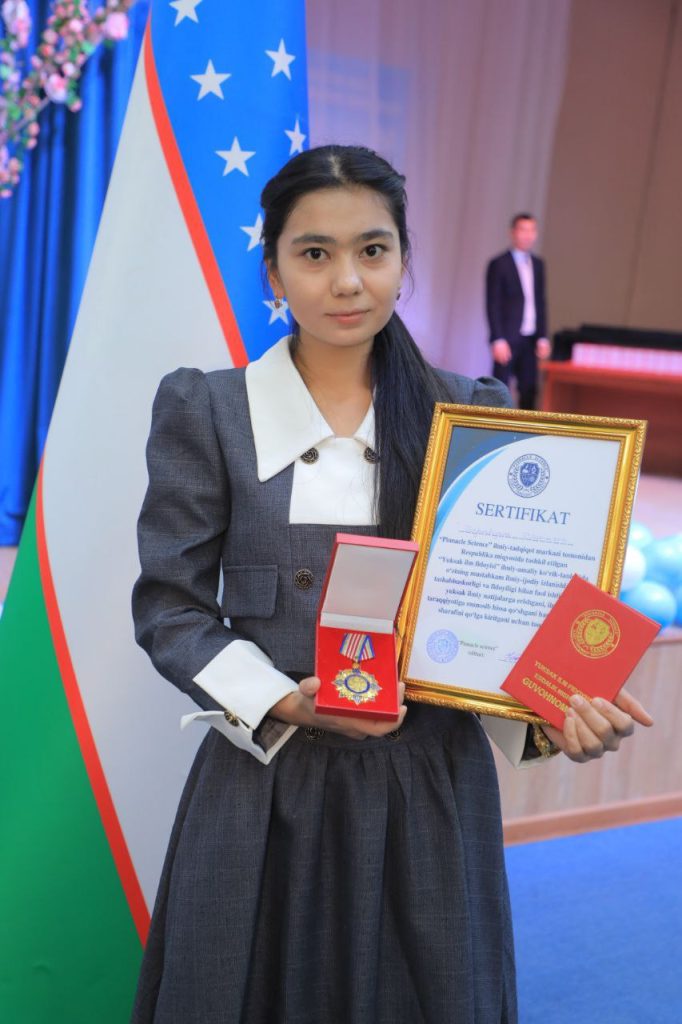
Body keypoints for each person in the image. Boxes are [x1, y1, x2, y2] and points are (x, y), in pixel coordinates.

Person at [130, 146, 652, 1024]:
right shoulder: (207, 409)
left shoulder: (469, 411)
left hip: (426, 791)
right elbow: (170, 608)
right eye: (314, 253)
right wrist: (284, 701)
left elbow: (502, 610)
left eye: (373, 250)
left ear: (406, 262)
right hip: (265, 786)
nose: (346, 281)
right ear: (273, 270)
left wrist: (555, 709)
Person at [485, 213, 551, 409]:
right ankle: (494, 433)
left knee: (530, 390)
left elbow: (540, 301)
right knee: (500, 390)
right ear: (513, 233)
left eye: (531, 230)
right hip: (507, 338)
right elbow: (492, 303)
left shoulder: (538, 264)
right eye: (523, 230)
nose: (527, 235)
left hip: (530, 338)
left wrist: (543, 336)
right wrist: (497, 338)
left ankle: (525, 436)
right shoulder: (499, 264)